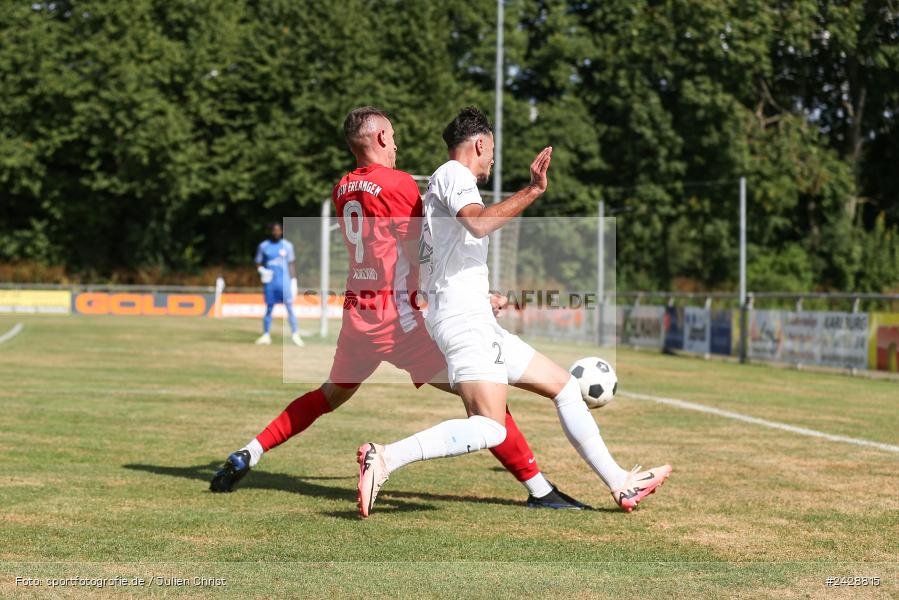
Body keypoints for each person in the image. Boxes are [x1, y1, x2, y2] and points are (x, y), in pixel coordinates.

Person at [211, 106, 588, 510]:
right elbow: (421, 255)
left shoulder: (343, 187)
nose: (397, 146)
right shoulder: (399, 184)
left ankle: (250, 452)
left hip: (358, 317)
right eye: (392, 138)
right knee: (483, 395)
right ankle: (541, 491)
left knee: (327, 397)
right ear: (379, 139)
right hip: (399, 322)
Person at [356, 107, 672, 517]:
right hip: (464, 323)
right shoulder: (454, 175)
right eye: (491, 151)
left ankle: (621, 484)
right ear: (480, 144)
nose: (491, 160)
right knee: (489, 427)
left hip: (470, 315)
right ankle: (385, 458)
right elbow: (478, 225)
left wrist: (482, 294)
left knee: (563, 386)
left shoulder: (445, 184)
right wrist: (533, 190)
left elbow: (442, 257)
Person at [255, 222, 304, 347]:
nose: (276, 232)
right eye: (273, 230)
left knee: (289, 308)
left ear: (281, 231)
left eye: (278, 230)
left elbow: (291, 264)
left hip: (285, 283)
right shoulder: (264, 246)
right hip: (270, 283)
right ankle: (266, 335)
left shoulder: (287, 246)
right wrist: (261, 270)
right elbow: (258, 262)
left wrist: (294, 281)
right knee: (269, 308)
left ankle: (295, 334)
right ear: (271, 231)